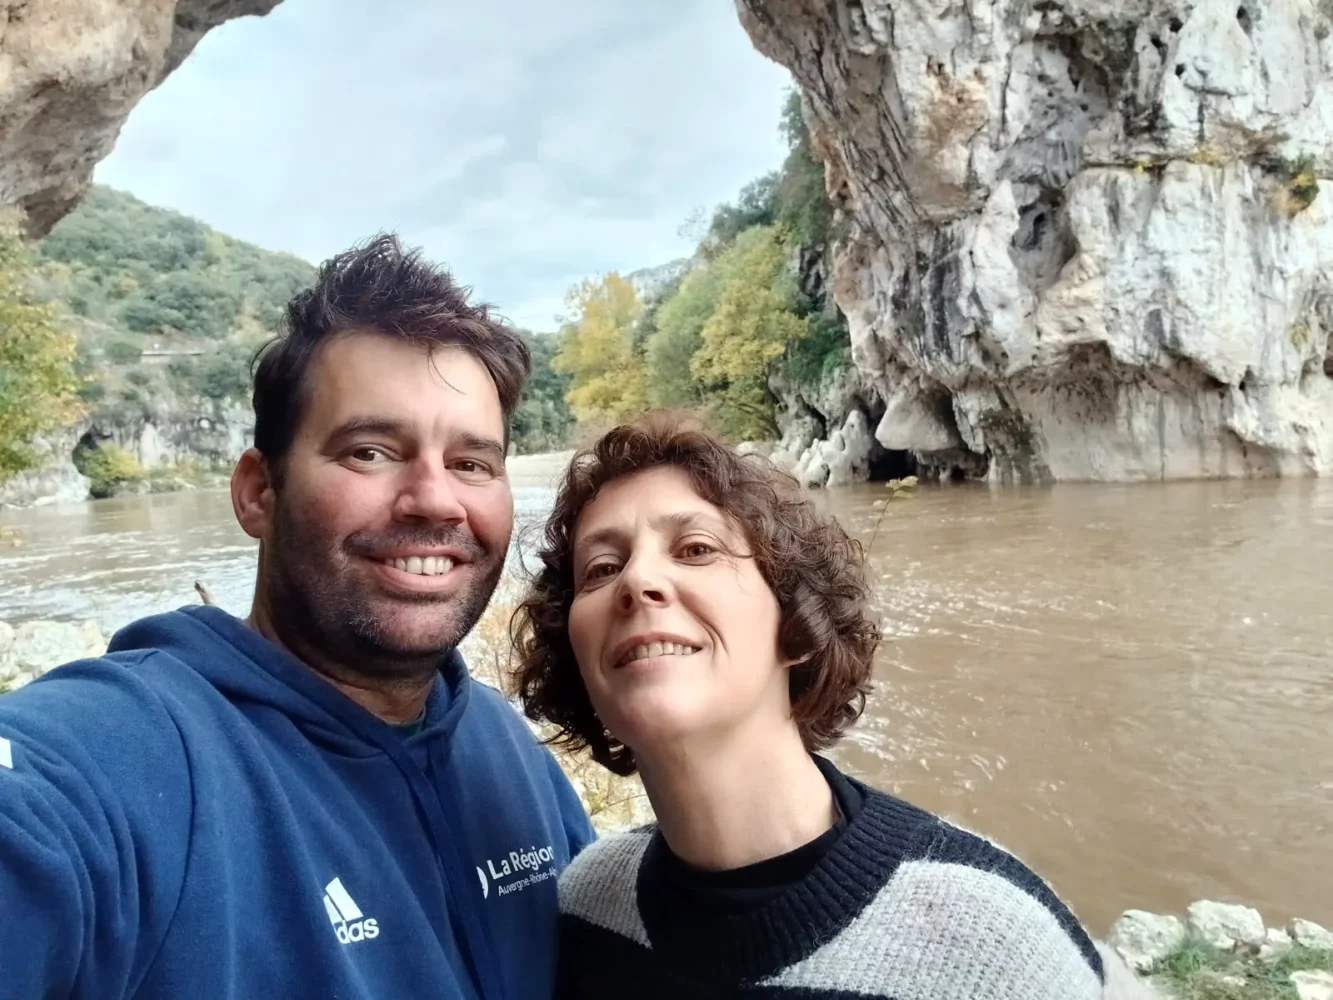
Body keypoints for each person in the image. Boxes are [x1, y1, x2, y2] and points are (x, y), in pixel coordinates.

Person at [0, 234, 595, 1000]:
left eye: (471, 463)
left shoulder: (509, 751)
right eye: (370, 452)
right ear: (258, 493)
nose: (436, 499)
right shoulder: (127, 756)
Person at [511, 412, 1160, 1000]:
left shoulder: (998, 947)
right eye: (600, 568)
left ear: (796, 626)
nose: (638, 581)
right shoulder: (586, 904)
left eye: (696, 550)